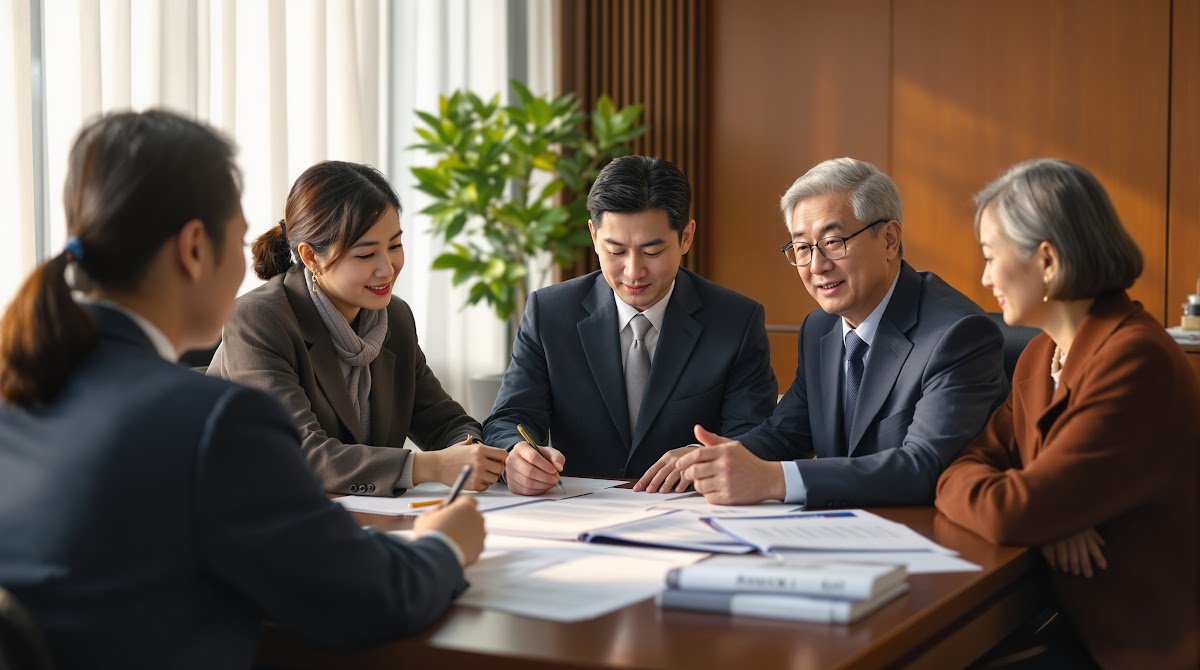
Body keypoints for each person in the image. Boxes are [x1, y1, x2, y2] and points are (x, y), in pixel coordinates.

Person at [0, 111, 484, 670]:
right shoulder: (213, 424)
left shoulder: (24, 388)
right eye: (238, 237)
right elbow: (368, 598)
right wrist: (444, 545)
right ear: (194, 248)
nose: (248, 264)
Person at [935, 159, 1198, 669]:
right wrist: (1052, 514)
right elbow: (966, 464)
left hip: (1140, 649)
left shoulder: (1135, 359)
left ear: (1048, 260)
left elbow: (1013, 510)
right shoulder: (1039, 355)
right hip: (1069, 624)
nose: (984, 276)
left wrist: (1041, 509)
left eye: (991, 256)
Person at [638, 157, 1007, 505]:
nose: (816, 265)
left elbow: (924, 467)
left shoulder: (957, 334)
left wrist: (775, 481)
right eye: (801, 247)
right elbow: (787, 433)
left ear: (890, 240)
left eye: (833, 243)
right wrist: (709, 459)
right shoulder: (821, 327)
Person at [208, 161, 508, 496]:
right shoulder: (258, 319)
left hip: (353, 514)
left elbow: (446, 422)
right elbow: (298, 454)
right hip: (247, 514)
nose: (387, 269)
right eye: (366, 255)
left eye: (394, 246)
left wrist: (475, 453)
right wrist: (431, 466)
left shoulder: (395, 317)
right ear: (310, 257)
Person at [484, 155, 778, 494]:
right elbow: (510, 417)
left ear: (686, 237)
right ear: (594, 236)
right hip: (577, 512)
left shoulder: (735, 321)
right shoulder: (549, 313)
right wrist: (515, 456)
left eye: (652, 252)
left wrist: (702, 458)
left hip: (690, 510)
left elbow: (755, 433)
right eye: (616, 251)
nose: (633, 271)